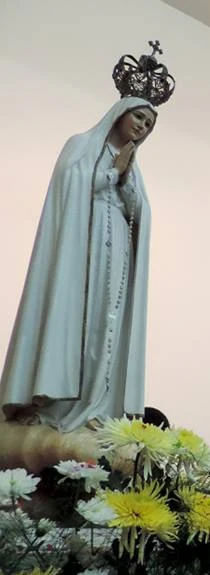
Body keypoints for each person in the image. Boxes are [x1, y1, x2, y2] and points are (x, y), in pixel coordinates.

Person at [1, 97, 157, 433]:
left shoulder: (135, 167)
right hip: (81, 246)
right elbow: (70, 187)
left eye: (148, 125)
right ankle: (55, 405)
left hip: (117, 255)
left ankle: (96, 405)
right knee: (75, 319)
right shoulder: (82, 145)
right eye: (139, 117)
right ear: (119, 114)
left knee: (107, 324)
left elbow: (140, 212)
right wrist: (112, 173)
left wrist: (128, 180)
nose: (142, 127)